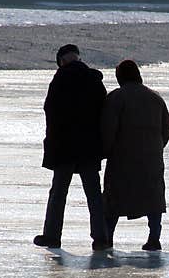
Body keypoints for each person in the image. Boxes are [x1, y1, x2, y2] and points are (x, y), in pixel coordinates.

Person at [34, 44, 111, 250]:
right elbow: (104, 113)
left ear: (62, 60)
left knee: (58, 192)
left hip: (64, 147)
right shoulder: (94, 79)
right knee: (94, 194)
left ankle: (52, 235)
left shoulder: (60, 79)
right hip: (89, 146)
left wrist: (51, 143)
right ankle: (101, 238)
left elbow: (50, 110)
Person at [100, 59, 169, 251]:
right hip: (151, 159)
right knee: (153, 200)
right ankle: (154, 238)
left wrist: (105, 151)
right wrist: (155, 148)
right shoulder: (155, 98)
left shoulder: (116, 98)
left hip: (122, 159)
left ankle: (107, 238)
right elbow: (167, 129)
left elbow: (108, 130)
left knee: (113, 200)